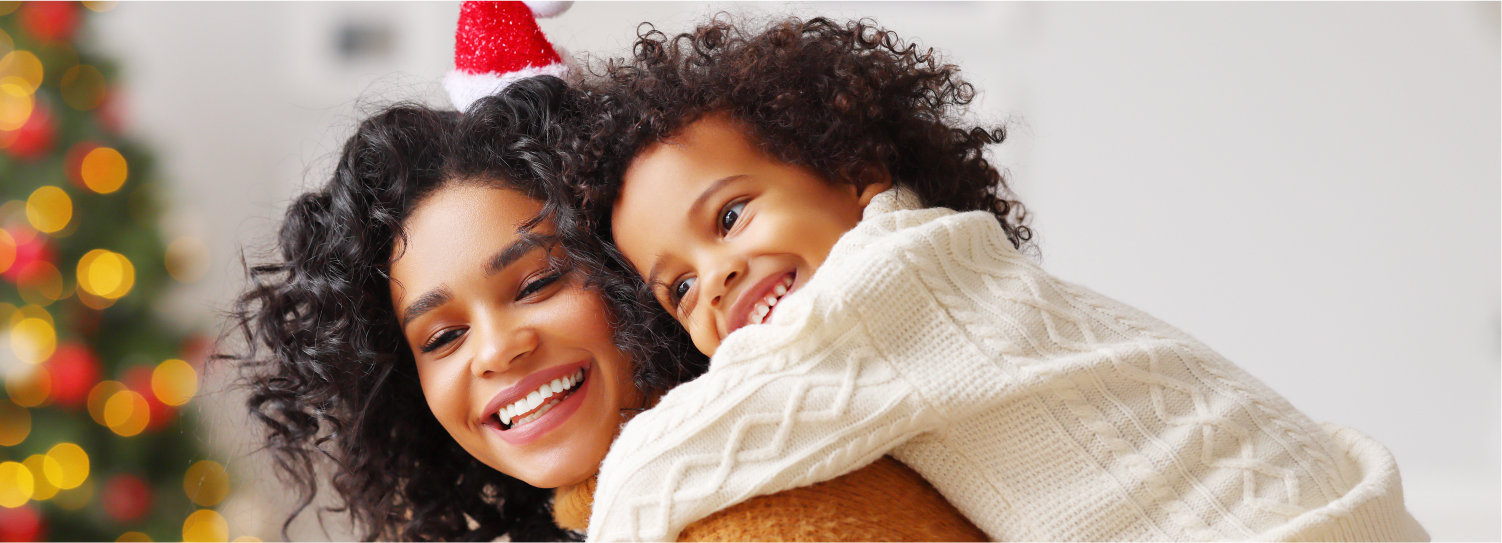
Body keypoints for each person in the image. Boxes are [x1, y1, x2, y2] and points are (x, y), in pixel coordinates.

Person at [555, 16, 1430, 542]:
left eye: (731, 215)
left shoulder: (893, 282)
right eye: (676, 290)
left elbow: (666, 463)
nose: (716, 278)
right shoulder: (953, 267)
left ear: (850, 169)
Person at [230, 74, 989, 541]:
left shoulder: (775, 504)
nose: (496, 351)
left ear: (630, 267)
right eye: (444, 335)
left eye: (536, 284)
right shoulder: (609, 510)